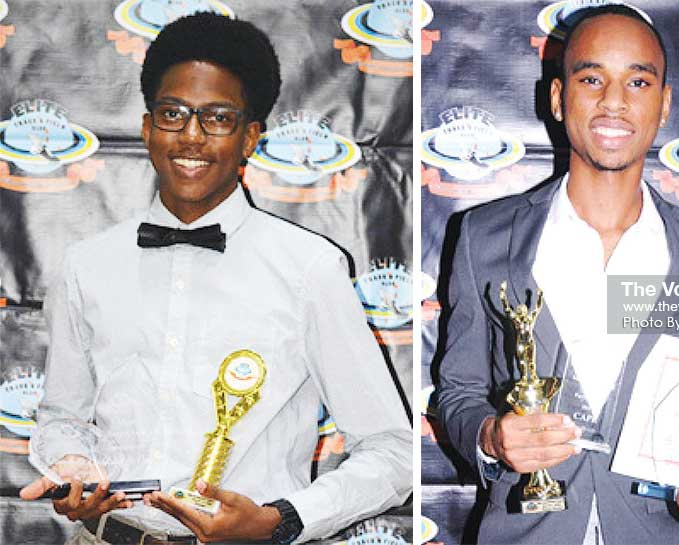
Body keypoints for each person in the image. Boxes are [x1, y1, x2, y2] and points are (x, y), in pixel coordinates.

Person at [19, 13, 411, 545]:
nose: (192, 136)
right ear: (147, 127)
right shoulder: (87, 265)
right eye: (173, 113)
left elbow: (392, 450)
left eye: (218, 118)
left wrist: (281, 518)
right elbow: (63, 415)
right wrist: (71, 464)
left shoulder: (309, 268)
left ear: (250, 138)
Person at [435, 5, 679, 544]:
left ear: (665, 103)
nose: (614, 101)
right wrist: (490, 435)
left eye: (639, 80)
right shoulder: (485, 236)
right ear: (558, 98)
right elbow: (458, 392)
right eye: (592, 78)